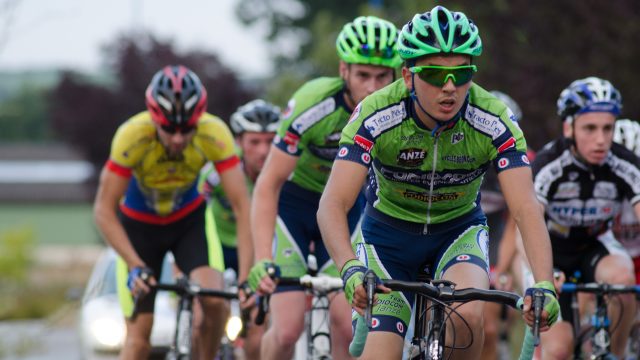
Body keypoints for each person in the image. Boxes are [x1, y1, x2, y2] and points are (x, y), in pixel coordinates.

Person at [316, 6, 559, 360]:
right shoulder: (375, 113)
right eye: (433, 74)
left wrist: (543, 282)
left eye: (462, 75)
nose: (449, 87)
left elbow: (525, 208)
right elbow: (332, 204)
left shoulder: (493, 119)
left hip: (456, 233)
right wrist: (349, 267)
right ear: (408, 75)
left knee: (468, 315)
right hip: (389, 239)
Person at [248, 15, 403, 360]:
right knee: (286, 330)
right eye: (363, 75)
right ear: (343, 70)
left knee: (348, 326)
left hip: (349, 210)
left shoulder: (400, 110)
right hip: (296, 207)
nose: (372, 87)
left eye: (382, 76)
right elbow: (268, 184)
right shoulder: (313, 103)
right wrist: (262, 258)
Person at [93, 65, 252, 360]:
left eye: (187, 128)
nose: (178, 138)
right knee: (139, 342)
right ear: (154, 119)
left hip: (187, 224)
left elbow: (243, 206)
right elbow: (103, 210)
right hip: (139, 230)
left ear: (199, 120)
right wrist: (134, 264)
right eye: (169, 129)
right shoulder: (132, 136)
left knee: (215, 301)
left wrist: (245, 278)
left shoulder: (214, 133)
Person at [531, 77, 640, 359]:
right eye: (590, 128)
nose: (601, 139)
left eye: (608, 128)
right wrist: (542, 275)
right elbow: (527, 226)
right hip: (549, 250)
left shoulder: (625, 163)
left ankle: (616, 353)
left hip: (594, 246)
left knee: (624, 282)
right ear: (569, 127)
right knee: (558, 350)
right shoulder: (548, 164)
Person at [199, 99, 281, 360]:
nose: (263, 150)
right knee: (202, 316)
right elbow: (194, 217)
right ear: (238, 142)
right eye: (254, 142)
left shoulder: (284, 171)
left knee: (259, 323)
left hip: (259, 248)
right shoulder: (216, 172)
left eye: (270, 141)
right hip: (219, 247)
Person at [479, 90, 524, 360]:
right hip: (457, 231)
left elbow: (512, 225)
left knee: (489, 328)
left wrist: (500, 268)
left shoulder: (517, 158)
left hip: (495, 237)